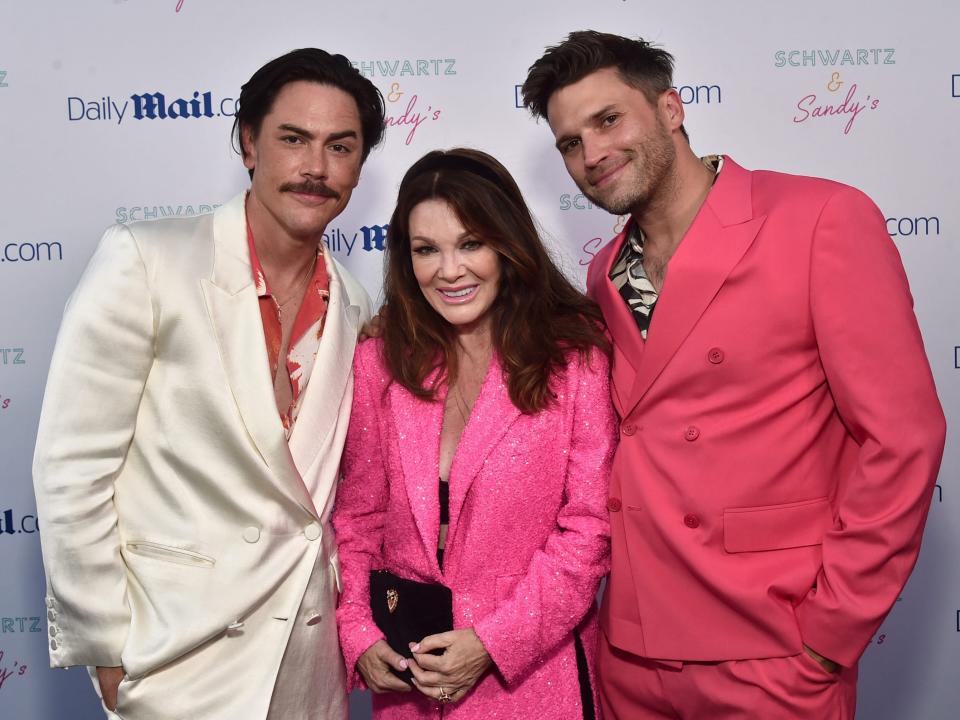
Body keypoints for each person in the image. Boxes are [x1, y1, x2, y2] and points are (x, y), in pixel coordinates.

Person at [521, 30, 946, 720]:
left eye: (608, 120)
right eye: (570, 143)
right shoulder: (604, 274)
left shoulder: (819, 220)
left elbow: (903, 439)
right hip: (631, 653)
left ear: (670, 109)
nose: (592, 154)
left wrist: (829, 635)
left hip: (771, 651)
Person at [32, 48, 383, 719]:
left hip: (307, 667)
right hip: (175, 657)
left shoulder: (355, 303)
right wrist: (104, 645)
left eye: (341, 146)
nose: (316, 167)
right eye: (293, 139)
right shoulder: (147, 258)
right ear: (249, 143)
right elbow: (72, 467)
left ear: (360, 165)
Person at [333, 148, 617, 718]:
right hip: (409, 687)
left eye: (470, 244)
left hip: (533, 680)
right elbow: (358, 518)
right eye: (426, 250)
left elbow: (588, 531)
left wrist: (492, 642)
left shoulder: (574, 361)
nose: (449, 270)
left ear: (507, 246)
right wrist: (358, 631)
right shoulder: (379, 363)